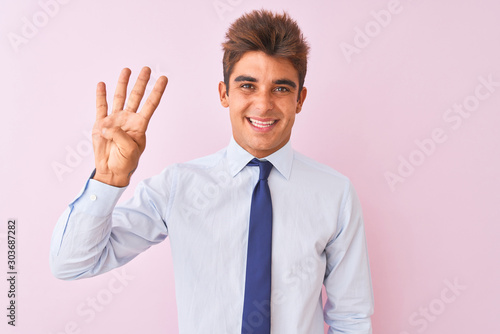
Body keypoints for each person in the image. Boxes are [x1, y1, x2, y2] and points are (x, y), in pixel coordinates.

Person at [50, 9, 374, 334]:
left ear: (300, 99)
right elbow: (72, 264)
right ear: (224, 94)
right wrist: (107, 181)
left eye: (281, 89)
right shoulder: (179, 185)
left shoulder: (334, 193)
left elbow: (352, 318)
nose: (263, 105)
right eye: (248, 86)